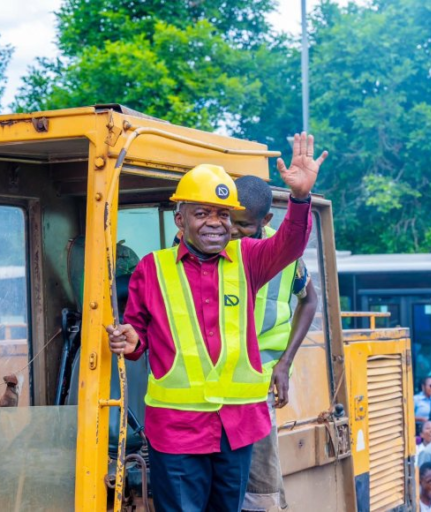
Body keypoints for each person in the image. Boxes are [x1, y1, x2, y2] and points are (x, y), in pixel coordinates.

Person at [106, 134, 327, 511]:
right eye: (202, 213)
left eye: (223, 214)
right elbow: (138, 335)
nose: (215, 223)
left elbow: (290, 247)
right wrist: (131, 342)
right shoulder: (152, 269)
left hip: (236, 428)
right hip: (176, 431)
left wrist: (300, 198)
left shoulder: (249, 257)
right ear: (180, 219)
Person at [232, 176, 318, 512]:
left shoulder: (284, 252)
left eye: (243, 224)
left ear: (265, 220)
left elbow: (309, 300)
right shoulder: (213, 243)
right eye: (229, 219)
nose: (233, 230)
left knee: (260, 484)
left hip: (260, 378)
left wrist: (285, 363)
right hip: (215, 381)